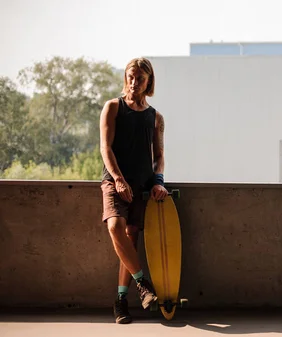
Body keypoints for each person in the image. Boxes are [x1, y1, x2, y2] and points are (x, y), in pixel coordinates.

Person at [99, 57, 168, 324]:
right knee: (115, 227)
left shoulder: (155, 117)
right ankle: (143, 284)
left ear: (149, 81)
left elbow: (159, 155)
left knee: (129, 239)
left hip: (142, 185)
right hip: (115, 182)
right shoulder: (113, 107)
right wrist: (117, 179)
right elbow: (105, 148)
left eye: (140, 78)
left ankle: (120, 302)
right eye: (130, 76)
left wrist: (158, 181)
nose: (134, 82)